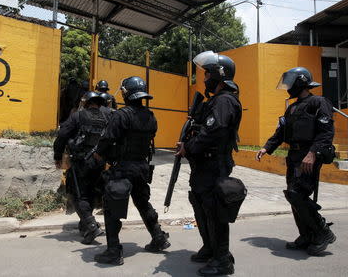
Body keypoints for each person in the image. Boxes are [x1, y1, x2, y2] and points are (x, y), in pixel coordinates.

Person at [256, 67, 336, 256]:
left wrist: (313, 153)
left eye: (291, 82)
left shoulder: (318, 102)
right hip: (293, 157)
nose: (288, 87)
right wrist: (266, 147)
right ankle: (306, 235)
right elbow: (280, 132)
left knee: (297, 194)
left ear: (301, 81)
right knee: (293, 196)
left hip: (308, 157)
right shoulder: (292, 107)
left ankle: (322, 232)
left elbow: (326, 132)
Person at [176, 51, 242, 276]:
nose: (204, 79)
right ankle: (211, 248)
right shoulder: (217, 100)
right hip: (204, 165)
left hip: (214, 165)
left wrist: (189, 147)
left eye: (207, 74)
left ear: (219, 75)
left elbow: (213, 132)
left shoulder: (225, 100)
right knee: (201, 207)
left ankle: (222, 260)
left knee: (215, 212)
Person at [92, 76, 170, 265]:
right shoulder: (151, 116)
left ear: (126, 94)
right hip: (141, 167)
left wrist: (99, 154)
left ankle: (113, 251)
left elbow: (107, 138)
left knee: (112, 207)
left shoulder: (121, 115)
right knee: (143, 203)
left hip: (123, 168)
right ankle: (158, 237)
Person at [53, 91, 111, 245]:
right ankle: (85, 225)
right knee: (91, 193)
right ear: (99, 104)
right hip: (99, 162)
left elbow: (62, 136)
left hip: (81, 162)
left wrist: (58, 156)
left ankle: (91, 226)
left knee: (77, 194)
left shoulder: (78, 116)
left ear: (86, 103)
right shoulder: (108, 117)